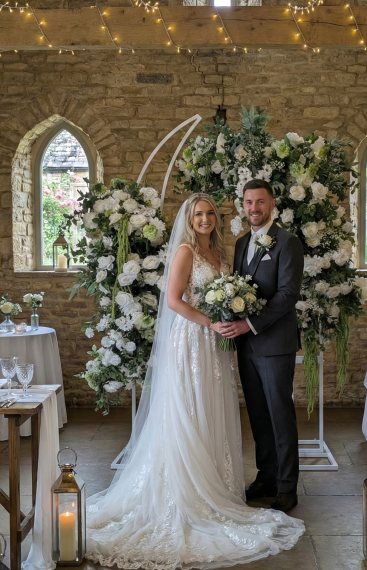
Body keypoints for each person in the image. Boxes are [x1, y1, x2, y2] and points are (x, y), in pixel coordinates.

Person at [85, 192, 304, 570]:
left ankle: (278, 485)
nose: (205, 219)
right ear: (189, 218)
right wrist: (211, 323)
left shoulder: (232, 251)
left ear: (268, 205)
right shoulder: (189, 250)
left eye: (210, 213)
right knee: (193, 408)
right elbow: (173, 300)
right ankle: (220, 483)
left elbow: (281, 294)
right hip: (196, 339)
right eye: (199, 213)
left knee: (230, 407)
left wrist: (235, 321)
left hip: (228, 341)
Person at [219, 179, 304, 513]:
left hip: (274, 343)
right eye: (248, 202)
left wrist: (249, 323)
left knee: (279, 413)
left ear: (272, 205)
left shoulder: (288, 242)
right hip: (247, 345)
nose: (253, 208)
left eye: (259, 202)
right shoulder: (241, 243)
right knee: (257, 413)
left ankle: (287, 486)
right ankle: (266, 476)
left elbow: (287, 295)